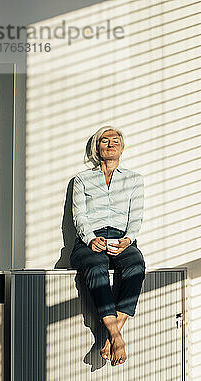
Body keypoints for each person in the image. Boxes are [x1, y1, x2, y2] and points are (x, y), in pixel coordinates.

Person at [70, 126, 145, 366]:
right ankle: (116, 337)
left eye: (116, 141)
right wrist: (91, 239)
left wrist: (128, 239)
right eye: (105, 141)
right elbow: (79, 215)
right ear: (97, 148)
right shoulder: (82, 179)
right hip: (90, 239)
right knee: (95, 267)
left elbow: (136, 216)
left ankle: (111, 336)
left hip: (122, 238)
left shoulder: (134, 179)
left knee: (136, 265)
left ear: (122, 147)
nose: (111, 144)